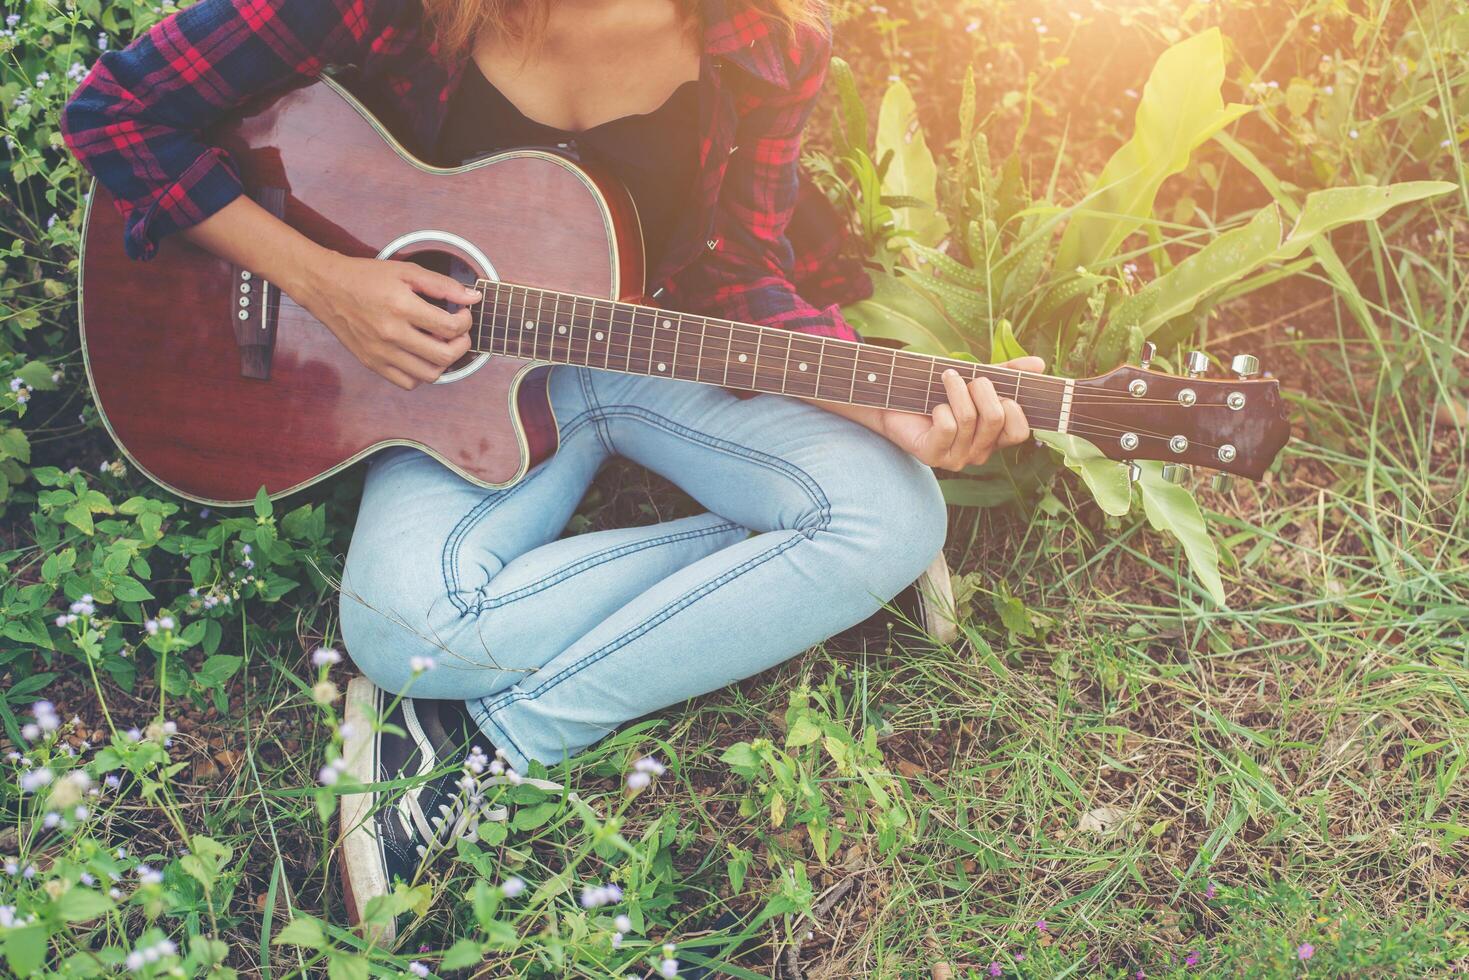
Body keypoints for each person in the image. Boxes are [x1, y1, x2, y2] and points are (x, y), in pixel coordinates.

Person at [63, 0, 1041, 932]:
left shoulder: (767, 38)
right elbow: (119, 112)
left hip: (643, 348)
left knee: (895, 511)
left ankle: (491, 739)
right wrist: (328, 281)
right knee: (396, 628)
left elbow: (739, 274)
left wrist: (878, 403)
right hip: (443, 386)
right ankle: (790, 573)